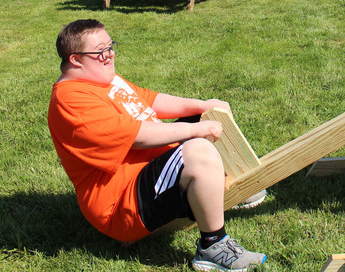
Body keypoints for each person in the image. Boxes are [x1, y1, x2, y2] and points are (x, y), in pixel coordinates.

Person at [47, 19, 267, 271]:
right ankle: (213, 246)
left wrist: (203, 106)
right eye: (101, 51)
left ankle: (227, 183)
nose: (111, 54)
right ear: (76, 60)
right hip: (122, 203)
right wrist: (195, 131)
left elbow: (150, 101)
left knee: (206, 116)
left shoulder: (104, 79)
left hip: (146, 169)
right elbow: (136, 135)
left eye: (110, 46)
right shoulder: (70, 99)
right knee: (198, 151)